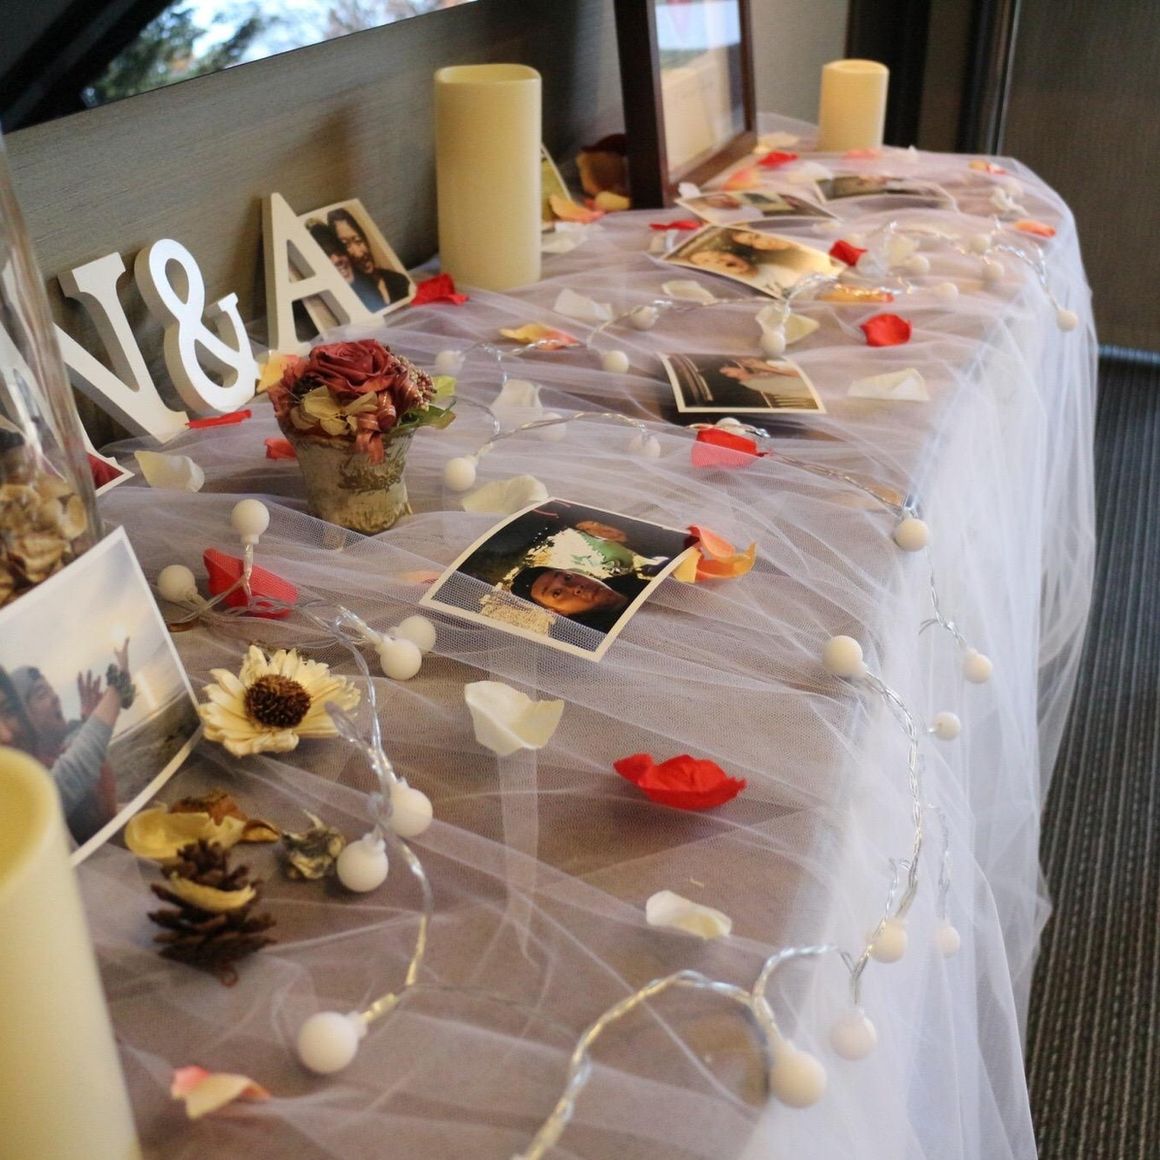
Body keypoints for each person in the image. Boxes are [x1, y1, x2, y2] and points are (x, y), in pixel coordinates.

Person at [5, 641, 133, 843]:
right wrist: (120, 680)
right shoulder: (31, 777)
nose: (55, 698)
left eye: (51, 690)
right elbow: (78, 766)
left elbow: (107, 803)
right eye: (42, 694)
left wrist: (87, 722)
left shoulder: (66, 742)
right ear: (24, 717)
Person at [327, 208, 411, 306]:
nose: (358, 254)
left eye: (358, 240)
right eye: (345, 245)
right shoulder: (351, 297)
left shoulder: (398, 280)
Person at [306, 219, 383, 311]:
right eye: (326, 255)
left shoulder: (370, 288)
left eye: (339, 251)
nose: (337, 260)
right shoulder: (322, 305)